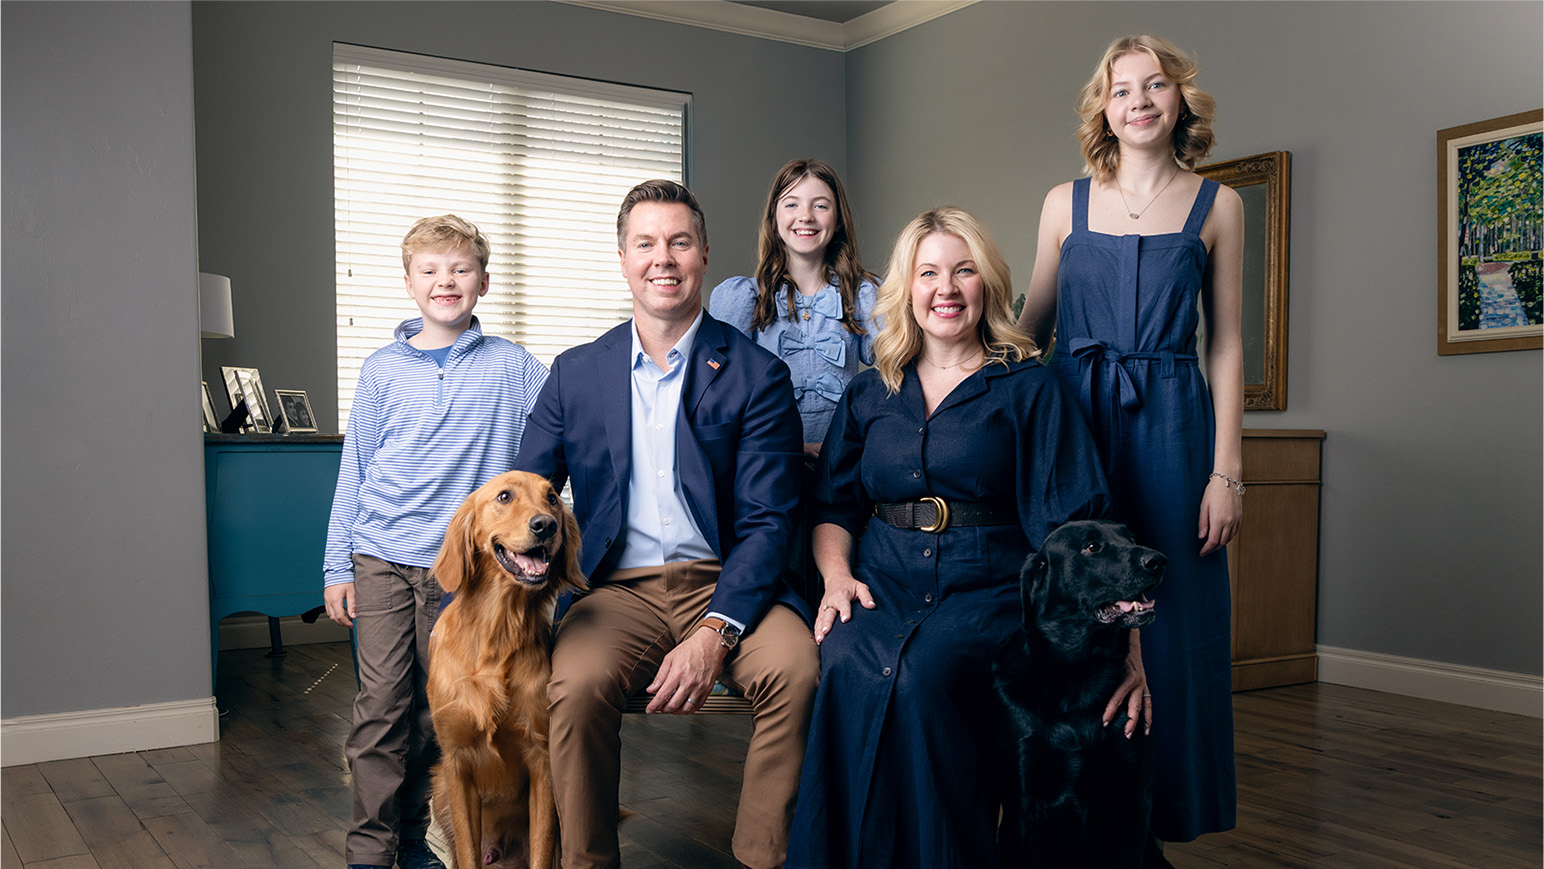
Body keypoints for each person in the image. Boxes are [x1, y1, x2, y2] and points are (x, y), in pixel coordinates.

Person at [786, 207, 1126, 869]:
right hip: (879, 581)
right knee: (850, 662)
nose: (947, 287)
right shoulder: (869, 393)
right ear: (907, 290)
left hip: (990, 589)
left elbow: (1077, 524)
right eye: (930, 272)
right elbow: (832, 506)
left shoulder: (1030, 386)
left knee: (919, 675)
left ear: (986, 285)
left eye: (963, 270)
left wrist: (1125, 642)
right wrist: (835, 576)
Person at [514, 179, 820, 869]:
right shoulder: (575, 374)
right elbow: (526, 498)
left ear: (704, 254)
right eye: (646, 243)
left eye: (679, 241)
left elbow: (771, 521)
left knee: (797, 671)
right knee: (575, 684)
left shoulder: (756, 375)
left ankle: (760, 856)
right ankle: (587, 861)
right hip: (617, 592)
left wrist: (716, 631)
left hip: (733, 583)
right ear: (622, 258)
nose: (664, 258)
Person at [1016, 33, 1245, 845]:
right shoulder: (1061, 204)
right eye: (1122, 89)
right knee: (1076, 607)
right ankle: (1069, 806)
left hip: (1176, 423)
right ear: (1103, 108)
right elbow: (1028, 331)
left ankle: (1165, 813)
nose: (1139, 100)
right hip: (1074, 414)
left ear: (1180, 99)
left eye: (1155, 86)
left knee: (1173, 616)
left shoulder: (1219, 205)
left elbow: (1223, 343)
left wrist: (1227, 472)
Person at [323, 215, 549, 869]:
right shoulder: (381, 370)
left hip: (469, 571)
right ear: (408, 282)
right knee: (381, 707)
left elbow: (562, 440)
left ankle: (426, 840)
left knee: (439, 709)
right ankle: (371, 849)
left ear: (482, 281)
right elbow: (355, 470)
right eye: (430, 269)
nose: (444, 280)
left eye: (459, 269)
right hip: (382, 555)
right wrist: (338, 563)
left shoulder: (514, 366)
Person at [708, 158, 879, 456]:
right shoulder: (744, 297)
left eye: (821, 206)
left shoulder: (863, 293)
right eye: (791, 204)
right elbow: (725, 395)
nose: (806, 216)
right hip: (770, 459)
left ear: (838, 218)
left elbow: (898, 363)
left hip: (846, 460)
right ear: (773, 218)